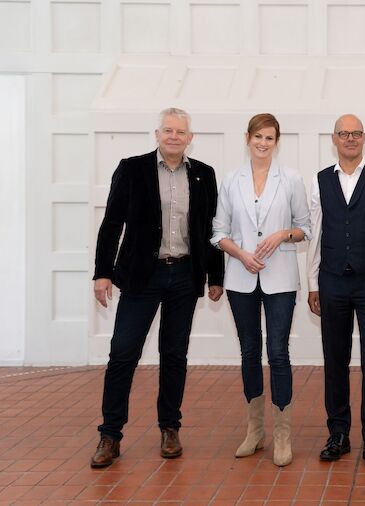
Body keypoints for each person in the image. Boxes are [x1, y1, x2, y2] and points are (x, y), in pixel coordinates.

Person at [90, 108, 224, 468]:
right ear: (157, 134)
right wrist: (102, 272)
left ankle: (169, 428)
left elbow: (211, 229)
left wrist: (216, 277)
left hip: (183, 276)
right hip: (141, 277)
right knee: (123, 353)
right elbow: (111, 222)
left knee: (174, 355)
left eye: (181, 131)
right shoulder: (132, 169)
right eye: (168, 130)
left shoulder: (203, 175)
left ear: (190, 137)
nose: (174, 136)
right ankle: (110, 434)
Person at [211, 113, 310, 467]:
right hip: (241, 278)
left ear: (276, 142)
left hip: (280, 278)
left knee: (278, 352)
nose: (263, 143)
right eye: (258, 137)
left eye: (269, 138)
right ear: (248, 138)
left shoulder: (292, 179)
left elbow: (304, 228)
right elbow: (218, 231)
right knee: (250, 352)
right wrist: (239, 253)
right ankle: (255, 431)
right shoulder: (231, 180)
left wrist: (282, 234)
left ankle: (282, 434)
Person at [306, 114, 365, 469]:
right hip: (332, 280)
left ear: (364, 138)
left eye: (356, 133)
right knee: (335, 357)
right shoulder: (319, 181)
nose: (350, 139)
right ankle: (339, 433)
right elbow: (315, 234)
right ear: (334, 138)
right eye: (344, 133)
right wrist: (313, 282)